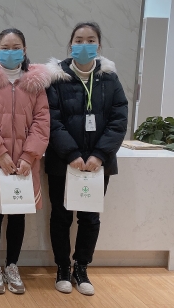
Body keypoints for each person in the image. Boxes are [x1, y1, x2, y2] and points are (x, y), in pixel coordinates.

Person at [45, 22, 127, 296]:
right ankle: (62, 267)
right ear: (70, 45)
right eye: (79, 40)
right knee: (61, 216)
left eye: (90, 40)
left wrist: (100, 155)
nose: (84, 45)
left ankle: (81, 268)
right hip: (63, 162)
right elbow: (51, 120)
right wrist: (71, 154)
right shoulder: (56, 79)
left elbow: (118, 120)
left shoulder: (109, 79)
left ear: (99, 45)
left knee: (90, 218)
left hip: (97, 165)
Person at [0, 28, 50, 295]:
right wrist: (1, 153)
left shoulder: (35, 84)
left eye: (16, 47)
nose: (10, 51)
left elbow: (42, 122)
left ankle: (13, 266)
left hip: (25, 164)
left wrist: (29, 156)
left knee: (18, 214)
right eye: (5, 47)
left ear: (24, 51)